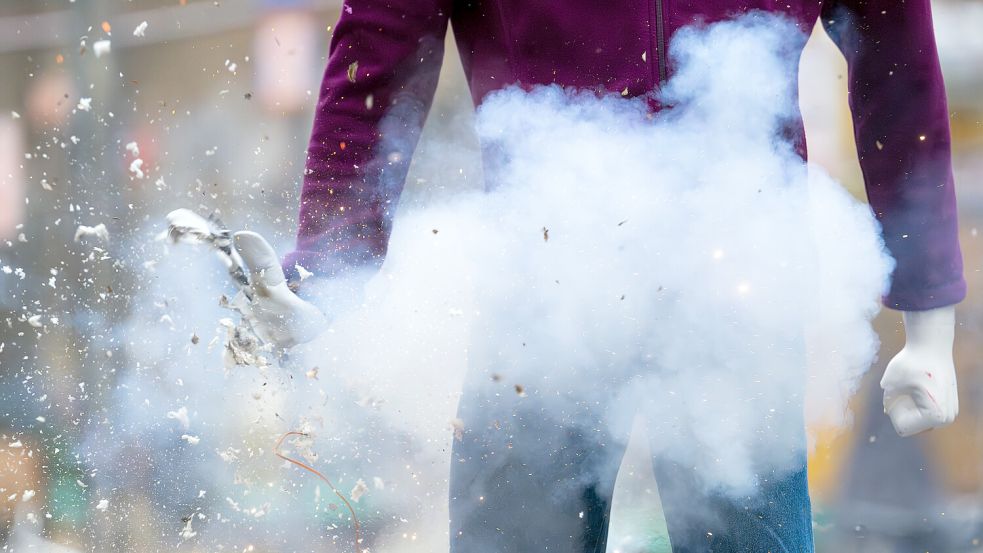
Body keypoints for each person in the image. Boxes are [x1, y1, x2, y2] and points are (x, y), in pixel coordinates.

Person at [228, 1, 966, 551]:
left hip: (736, 297)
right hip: (544, 302)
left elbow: (895, 56)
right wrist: (329, 265)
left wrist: (928, 309)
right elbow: (379, 52)